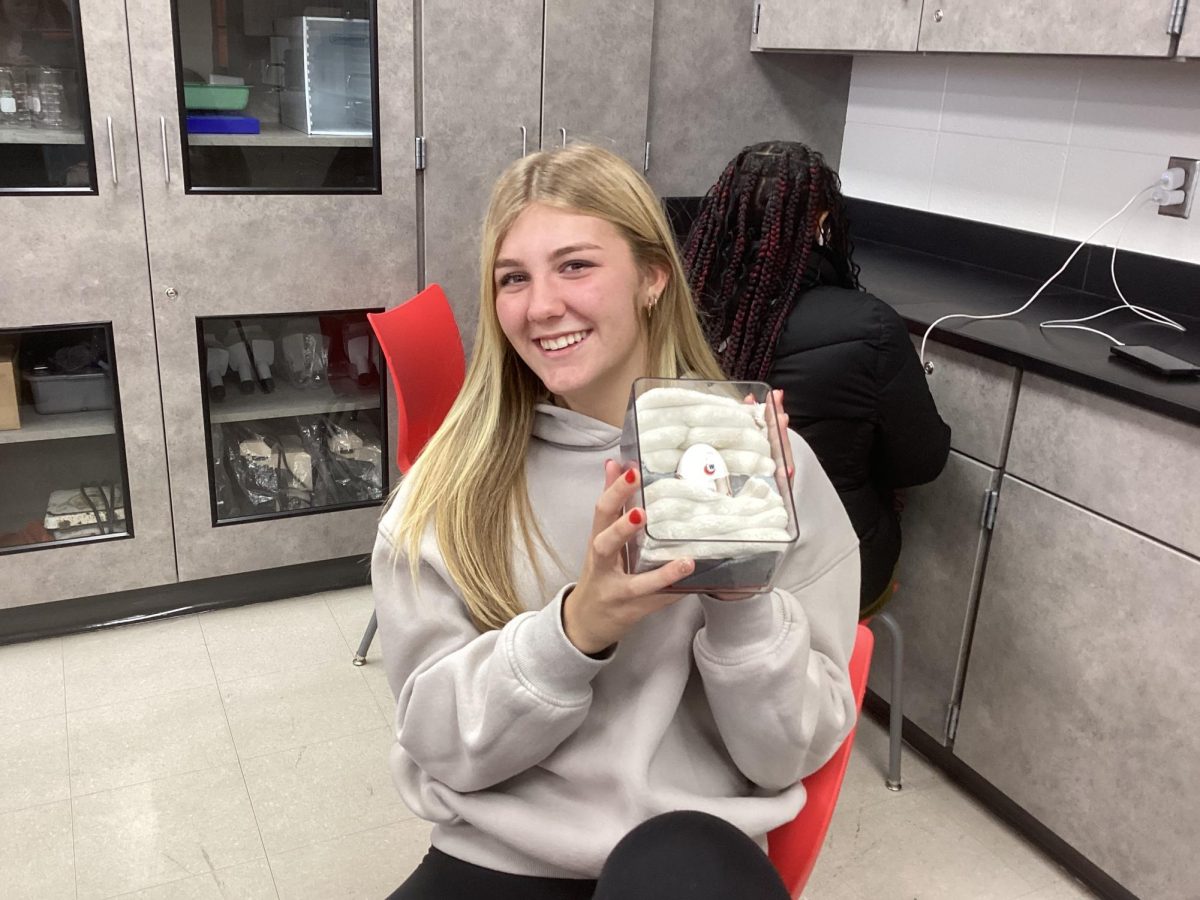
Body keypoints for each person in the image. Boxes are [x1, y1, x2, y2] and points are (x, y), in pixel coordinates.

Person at [372, 143, 861, 898]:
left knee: (677, 862)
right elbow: (439, 744)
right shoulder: (450, 492)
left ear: (652, 278)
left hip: (687, 858)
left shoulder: (763, 466)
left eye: (575, 266)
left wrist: (739, 601)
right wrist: (578, 627)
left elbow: (784, 755)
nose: (540, 307)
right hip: (502, 853)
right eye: (513, 279)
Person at [684, 141, 951, 617]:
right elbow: (919, 462)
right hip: (831, 568)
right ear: (823, 221)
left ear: (723, 213)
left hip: (699, 560)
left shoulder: (682, 310)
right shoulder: (871, 326)